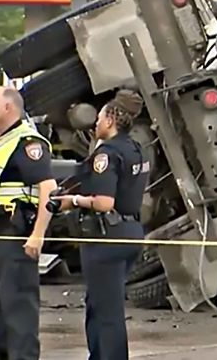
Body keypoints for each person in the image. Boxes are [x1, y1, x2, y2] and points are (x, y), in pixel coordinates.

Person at [52, 89, 149, 360]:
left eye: (100, 117)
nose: (95, 123)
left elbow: (104, 202)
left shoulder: (106, 154)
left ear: (110, 120)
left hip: (106, 236)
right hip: (130, 232)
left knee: (106, 311)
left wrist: (73, 200)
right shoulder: (136, 149)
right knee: (102, 304)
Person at [0, 86, 57, 360]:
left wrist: (38, 235)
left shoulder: (27, 142)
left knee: (18, 313)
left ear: (8, 107)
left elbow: (48, 188)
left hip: (12, 235)